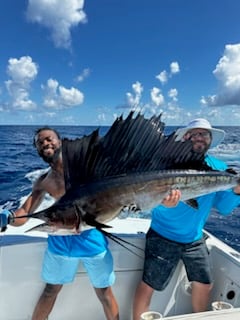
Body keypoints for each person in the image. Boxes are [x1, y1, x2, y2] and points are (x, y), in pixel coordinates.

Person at [0, 127, 119, 320]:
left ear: (60, 141)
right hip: (60, 241)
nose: (46, 143)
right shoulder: (42, 181)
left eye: (49, 139)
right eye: (40, 142)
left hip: (91, 237)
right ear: (37, 149)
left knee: (104, 292)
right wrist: (8, 217)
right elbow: (25, 214)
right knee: (50, 290)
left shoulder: (83, 170)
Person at [133, 118, 240, 319]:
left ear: (210, 139)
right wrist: (166, 205)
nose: (200, 137)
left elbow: (225, 208)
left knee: (205, 284)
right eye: (195, 134)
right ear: (186, 137)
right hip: (162, 235)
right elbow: (149, 201)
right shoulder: (167, 165)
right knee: (149, 284)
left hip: (194, 239)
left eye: (204, 134)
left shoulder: (218, 167)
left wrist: (237, 191)